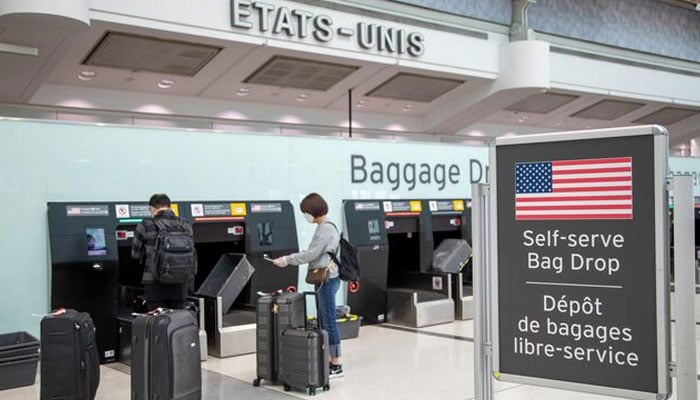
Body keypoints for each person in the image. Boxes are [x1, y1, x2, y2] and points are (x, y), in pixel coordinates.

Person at [272, 193, 344, 378]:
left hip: (327, 280)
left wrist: (287, 260)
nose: (305, 216)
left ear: (313, 211)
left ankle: (336, 365)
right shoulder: (325, 227)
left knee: (328, 320)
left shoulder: (325, 229)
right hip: (325, 279)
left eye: (305, 212)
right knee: (324, 319)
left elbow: (311, 254)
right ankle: (328, 360)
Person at [131, 193, 193, 310]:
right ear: (170, 207)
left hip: (154, 281)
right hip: (180, 281)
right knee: (179, 319)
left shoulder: (145, 224)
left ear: (152, 208)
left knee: (157, 321)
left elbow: (135, 254)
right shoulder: (184, 224)